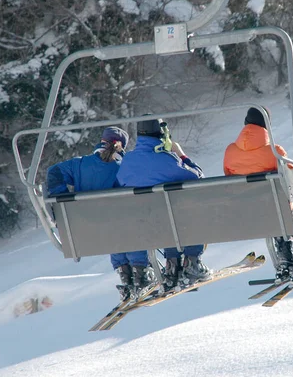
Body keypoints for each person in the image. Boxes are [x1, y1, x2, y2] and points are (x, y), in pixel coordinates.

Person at [46, 126, 145, 302]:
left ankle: (125, 275)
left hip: (89, 228)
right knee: (127, 223)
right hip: (122, 228)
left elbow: (53, 172)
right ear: (121, 146)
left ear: (102, 141)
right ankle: (140, 273)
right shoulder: (123, 167)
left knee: (111, 228)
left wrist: (63, 199)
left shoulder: (79, 164)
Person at [223, 106, 293, 279]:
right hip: (276, 210)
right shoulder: (275, 152)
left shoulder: (230, 152)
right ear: (266, 126)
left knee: (273, 212)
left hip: (249, 212)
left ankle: (284, 258)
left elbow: (229, 178)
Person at [116, 116, 211, 292]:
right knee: (186, 211)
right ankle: (191, 261)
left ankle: (172, 265)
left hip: (143, 225)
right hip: (172, 223)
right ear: (161, 134)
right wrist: (181, 155)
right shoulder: (166, 159)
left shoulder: (128, 162)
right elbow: (197, 177)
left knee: (164, 215)